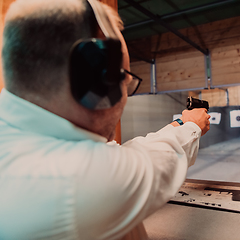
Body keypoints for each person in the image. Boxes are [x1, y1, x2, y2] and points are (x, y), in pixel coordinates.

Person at [0, 0, 210, 239]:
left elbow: (111, 152)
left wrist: (179, 124)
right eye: (124, 79)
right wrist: (192, 125)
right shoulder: (73, 183)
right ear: (97, 85)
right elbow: (159, 164)